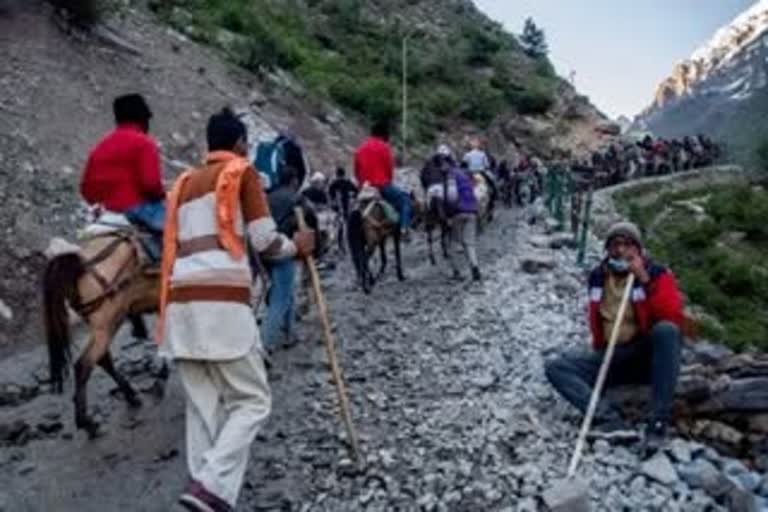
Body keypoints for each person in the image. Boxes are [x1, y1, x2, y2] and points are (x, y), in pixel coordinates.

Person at [159, 107, 314, 512]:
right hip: (221, 303)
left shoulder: (184, 182)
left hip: (179, 305)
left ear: (208, 144)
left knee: (202, 406)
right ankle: (209, 490)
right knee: (252, 400)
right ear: (241, 144)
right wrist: (297, 246)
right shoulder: (241, 173)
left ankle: (203, 494)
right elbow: (264, 240)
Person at [544, 222, 683, 453]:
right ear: (608, 249)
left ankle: (657, 423)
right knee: (557, 367)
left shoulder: (656, 273)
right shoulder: (599, 276)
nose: (621, 251)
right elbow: (597, 320)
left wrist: (644, 279)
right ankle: (608, 419)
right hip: (612, 355)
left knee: (666, 331)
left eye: (628, 245)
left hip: (644, 353)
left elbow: (670, 315)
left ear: (638, 249)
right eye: (615, 245)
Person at [81, 94, 165, 249]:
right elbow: (151, 184)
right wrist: (162, 194)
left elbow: (86, 189)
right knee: (177, 229)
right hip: (135, 212)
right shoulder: (144, 143)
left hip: (103, 215)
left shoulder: (99, 147)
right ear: (142, 119)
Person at [261, 166, 305, 352]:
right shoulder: (295, 198)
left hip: (263, 249)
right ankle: (265, 344)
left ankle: (289, 332)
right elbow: (308, 218)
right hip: (283, 249)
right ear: (293, 180)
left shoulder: (268, 197)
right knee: (280, 298)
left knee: (285, 291)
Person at [354, 120, 413, 239]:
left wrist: (361, 184)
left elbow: (356, 171)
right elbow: (389, 169)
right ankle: (404, 229)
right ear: (384, 134)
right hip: (382, 185)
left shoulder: (360, 149)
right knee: (405, 201)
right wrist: (388, 181)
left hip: (365, 188)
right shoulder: (384, 147)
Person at [447, 164, 482, 282]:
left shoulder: (452, 176)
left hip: (459, 212)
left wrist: (450, 213)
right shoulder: (467, 178)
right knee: (469, 243)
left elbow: (452, 196)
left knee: (453, 242)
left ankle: (456, 271)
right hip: (472, 211)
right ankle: (475, 267)